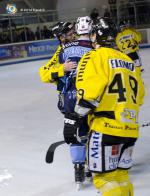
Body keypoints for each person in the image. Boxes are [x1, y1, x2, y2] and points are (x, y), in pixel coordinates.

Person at [63, 17, 145, 195]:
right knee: (121, 177)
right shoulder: (128, 61)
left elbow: (88, 97)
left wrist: (74, 120)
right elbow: (140, 97)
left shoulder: (93, 56)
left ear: (94, 36)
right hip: (130, 130)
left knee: (104, 178)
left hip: (106, 129)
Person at [59, 16, 93, 188]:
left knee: (73, 132)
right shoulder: (96, 47)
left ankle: (78, 168)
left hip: (70, 96)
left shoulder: (65, 48)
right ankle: (92, 165)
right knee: (91, 130)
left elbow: (61, 74)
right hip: (90, 95)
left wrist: (61, 95)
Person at [39, 22, 76, 111]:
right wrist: (62, 69)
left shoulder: (80, 45)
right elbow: (43, 74)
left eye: (74, 33)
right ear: (62, 38)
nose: (74, 36)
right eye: (70, 34)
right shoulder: (60, 52)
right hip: (68, 96)